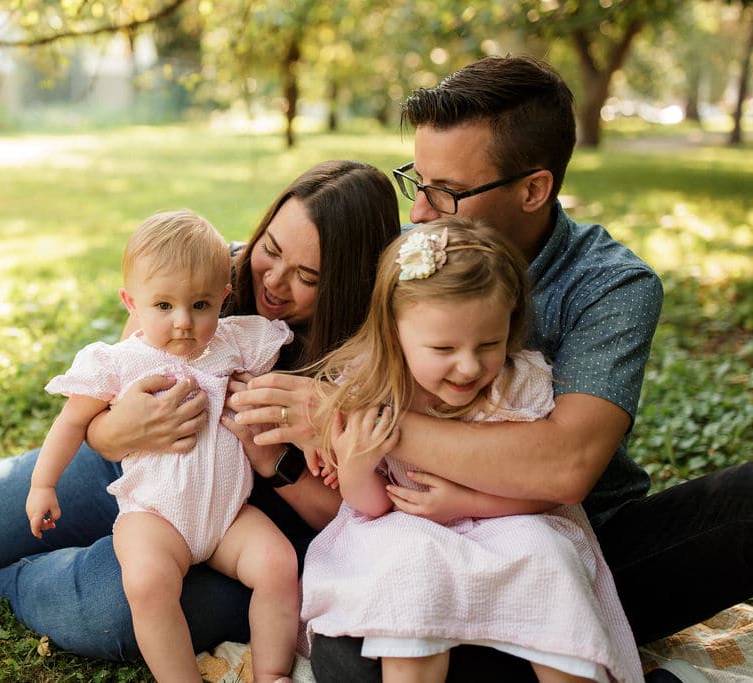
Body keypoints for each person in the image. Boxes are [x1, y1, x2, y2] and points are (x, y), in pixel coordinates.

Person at [304, 55, 753, 681]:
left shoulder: (609, 285)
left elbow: (564, 467)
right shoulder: (414, 259)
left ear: (534, 188)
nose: (422, 214)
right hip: (416, 537)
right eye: (418, 182)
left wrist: (371, 422)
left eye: (447, 193)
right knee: (358, 655)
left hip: (574, 538)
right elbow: (284, 268)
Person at [0, 160, 402, 662]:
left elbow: (350, 514)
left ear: (347, 283)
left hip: (246, 517)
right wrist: (116, 430)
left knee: (110, 611)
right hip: (144, 468)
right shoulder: (210, 278)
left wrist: (272, 459)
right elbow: (121, 368)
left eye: (307, 276)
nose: (273, 280)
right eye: (271, 248)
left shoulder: (368, 356)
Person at [301, 218, 643, 683]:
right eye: (443, 347)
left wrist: (467, 503)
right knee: (409, 571)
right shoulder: (371, 387)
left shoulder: (517, 383)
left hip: (513, 518)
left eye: (490, 344)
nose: (469, 366)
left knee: (548, 557)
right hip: (405, 529)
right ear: (394, 332)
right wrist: (358, 465)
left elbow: (553, 494)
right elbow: (373, 505)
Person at [27, 209, 297, 682]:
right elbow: (71, 423)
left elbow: (278, 384)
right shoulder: (121, 361)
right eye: (164, 306)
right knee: (148, 584)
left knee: (278, 564)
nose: (183, 323)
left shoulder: (236, 343)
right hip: (154, 515)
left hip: (228, 515)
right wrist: (42, 483)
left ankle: (271, 673)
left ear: (224, 300)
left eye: (200, 305)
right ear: (131, 302)